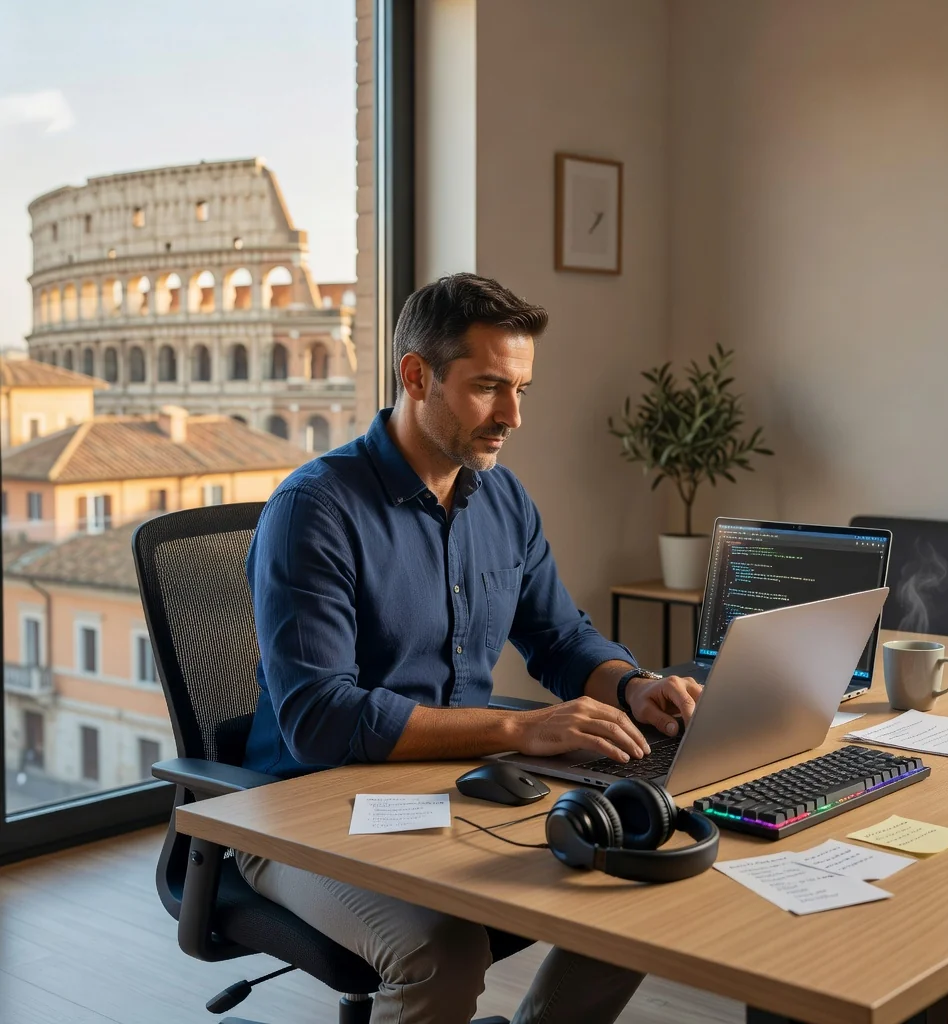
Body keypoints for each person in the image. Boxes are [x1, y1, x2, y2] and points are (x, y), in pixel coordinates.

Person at [239, 273, 703, 1024]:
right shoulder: (314, 510)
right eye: (489, 387)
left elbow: (558, 634)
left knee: (640, 869)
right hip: (298, 814)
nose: (513, 415)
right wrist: (519, 729)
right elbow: (319, 718)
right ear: (415, 375)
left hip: (450, 789)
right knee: (441, 951)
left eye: (522, 389)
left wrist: (631, 685)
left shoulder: (504, 499)